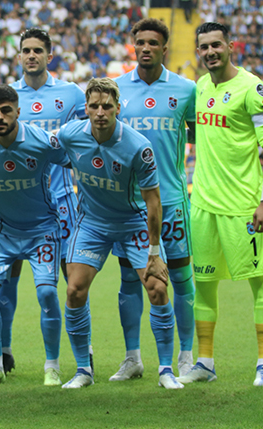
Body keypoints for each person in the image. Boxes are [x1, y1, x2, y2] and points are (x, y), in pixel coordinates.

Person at [57, 78, 182, 390]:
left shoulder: (139, 147)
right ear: (86, 109)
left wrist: (155, 253)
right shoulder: (70, 134)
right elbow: (39, 147)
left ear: (117, 108)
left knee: (157, 288)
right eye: (94, 106)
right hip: (92, 223)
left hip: (132, 222)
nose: (100, 112)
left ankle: (166, 370)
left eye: (107, 106)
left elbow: (153, 203)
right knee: (74, 290)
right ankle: (83, 370)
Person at [178, 22, 263, 387]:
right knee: (204, 283)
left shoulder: (252, 88)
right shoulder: (201, 87)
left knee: (259, 279)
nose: (210, 52)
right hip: (203, 205)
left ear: (230, 47)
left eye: (216, 45)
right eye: (204, 47)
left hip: (242, 206)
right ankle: (205, 363)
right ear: (198, 51)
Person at [110, 18, 197, 381]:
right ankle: (132, 357)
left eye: (153, 42)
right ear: (134, 46)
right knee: (130, 280)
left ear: (164, 48)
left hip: (172, 200)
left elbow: (201, 137)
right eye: (140, 42)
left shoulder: (187, 90)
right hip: (129, 205)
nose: (145, 48)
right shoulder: (116, 89)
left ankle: (186, 357)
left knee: (180, 278)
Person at [0, 84, 66, 387]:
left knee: (47, 294)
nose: (0, 117)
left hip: (42, 230)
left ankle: (52, 366)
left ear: (18, 112)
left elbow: (77, 158)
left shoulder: (41, 141)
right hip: (0, 230)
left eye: (6, 110)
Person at [2, 27, 87, 374]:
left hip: (62, 201)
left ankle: (84, 349)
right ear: (19, 55)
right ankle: (4, 349)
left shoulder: (71, 94)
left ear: (49, 55)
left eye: (38, 50)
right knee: (7, 278)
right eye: (26, 50)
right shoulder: (8, 97)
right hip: (17, 203)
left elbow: (89, 137)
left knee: (73, 280)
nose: (32, 55)